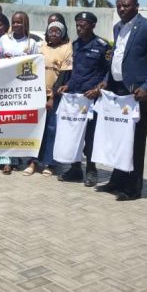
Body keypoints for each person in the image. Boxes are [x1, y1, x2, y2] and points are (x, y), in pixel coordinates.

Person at [97, 0, 147, 201]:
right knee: (119, 138)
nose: (121, 9)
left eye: (126, 6)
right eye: (119, 5)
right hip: (118, 91)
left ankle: (133, 188)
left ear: (136, 6)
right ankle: (117, 180)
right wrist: (107, 80)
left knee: (135, 141)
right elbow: (117, 58)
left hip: (137, 95)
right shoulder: (118, 27)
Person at [57, 12, 111, 186]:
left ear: (93, 25)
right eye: (77, 25)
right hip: (75, 98)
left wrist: (99, 89)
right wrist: (67, 85)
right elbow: (74, 71)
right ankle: (75, 169)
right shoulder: (75, 45)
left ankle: (91, 170)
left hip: (91, 98)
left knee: (90, 135)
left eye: (83, 25)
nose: (79, 29)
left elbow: (109, 72)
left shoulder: (102, 46)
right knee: (73, 134)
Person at [0, 11, 40, 175]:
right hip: (5, 87)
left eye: (19, 22)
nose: (16, 25)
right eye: (14, 22)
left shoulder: (32, 43)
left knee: (18, 125)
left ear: (25, 24)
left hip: (23, 89)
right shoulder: (4, 40)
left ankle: (18, 160)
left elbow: (36, 65)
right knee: (4, 123)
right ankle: (4, 161)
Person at [38, 18, 72, 177]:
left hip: (54, 96)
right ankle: (34, 160)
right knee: (37, 128)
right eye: (51, 30)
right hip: (37, 94)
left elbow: (64, 75)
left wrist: (52, 95)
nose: (54, 33)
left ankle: (50, 163)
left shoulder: (66, 48)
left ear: (62, 33)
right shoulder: (42, 47)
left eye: (57, 31)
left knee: (52, 129)